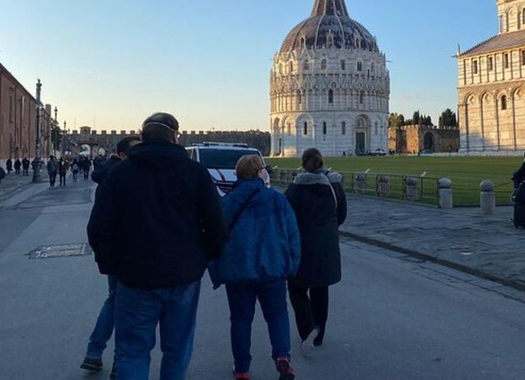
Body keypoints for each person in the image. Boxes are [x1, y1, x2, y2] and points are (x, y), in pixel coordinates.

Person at [87, 112, 227, 380]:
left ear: (142, 137)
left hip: (135, 276)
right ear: (175, 137)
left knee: (133, 352)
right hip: (183, 275)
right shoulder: (194, 172)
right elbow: (217, 225)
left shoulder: (120, 174)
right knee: (177, 350)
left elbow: (98, 227)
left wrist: (112, 265)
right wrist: (201, 260)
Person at [209, 154, 300, 380]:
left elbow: (215, 239)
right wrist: (292, 265)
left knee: (240, 320)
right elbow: (292, 235)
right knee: (277, 314)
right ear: (260, 172)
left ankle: (241, 368)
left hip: (238, 271)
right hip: (272, 269)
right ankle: (282, 356)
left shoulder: (228, 202)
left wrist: (217, 268)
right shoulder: (277, 199)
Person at [80, 137, 141, 378]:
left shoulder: (110, 174)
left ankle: (94, 353)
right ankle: (119, 363)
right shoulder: (124, 176)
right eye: (137, 151)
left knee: (115, 301)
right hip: (126, 254)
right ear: (124, 155)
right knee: (128, 308)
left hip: (115, 253)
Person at [284, 148, 347, 353]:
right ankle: (318, 335)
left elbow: (286, 215)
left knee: (296, 287)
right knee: (321, 287)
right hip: (327, 243)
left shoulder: (297, 188)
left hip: (302, 243)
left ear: (303, 163)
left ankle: (307, 328)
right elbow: (342, 213)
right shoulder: (334, 185)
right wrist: (329, 228)